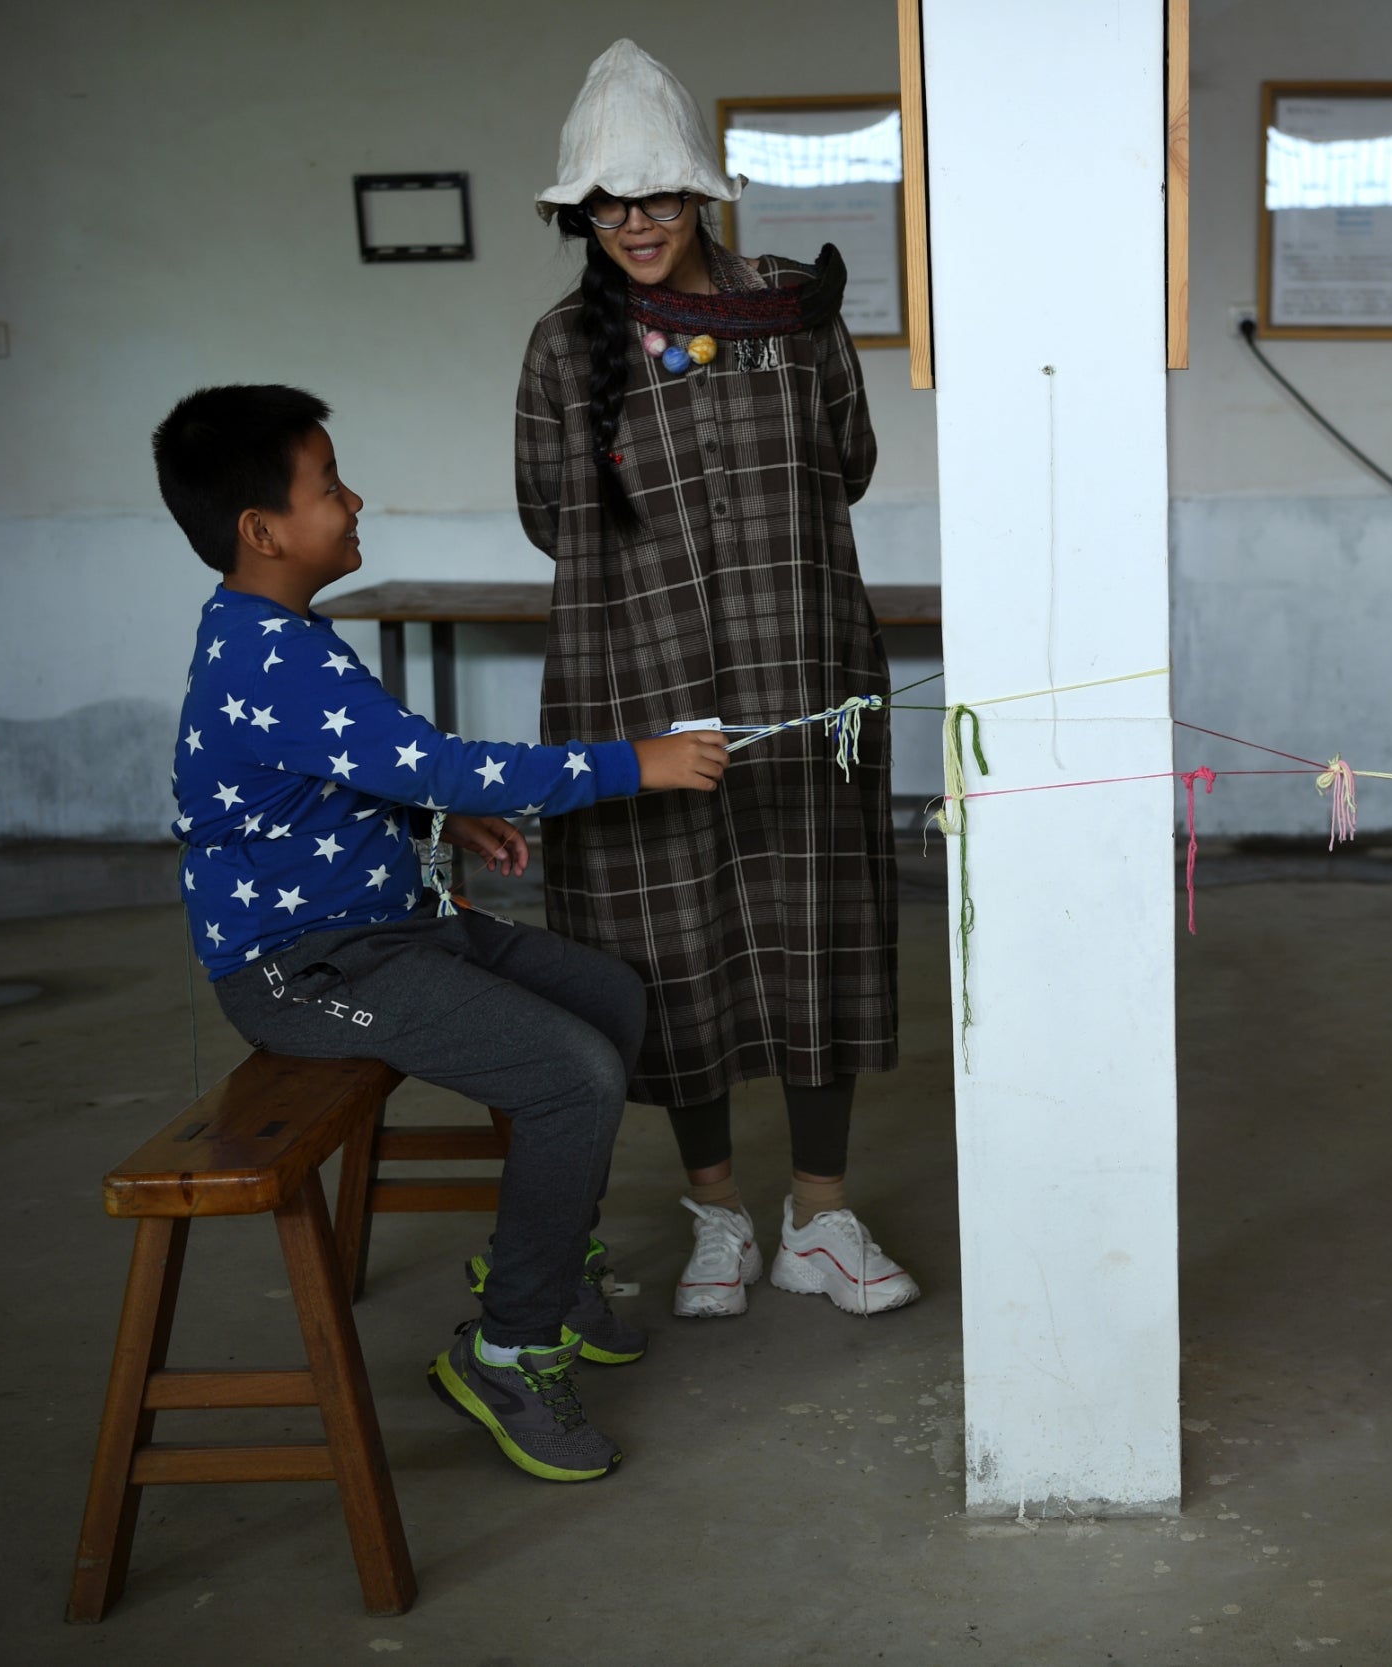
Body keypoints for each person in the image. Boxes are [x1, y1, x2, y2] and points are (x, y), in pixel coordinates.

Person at [155, 384, 730, 1482]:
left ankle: (546, 1276)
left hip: (388, 927)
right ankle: (508, 1351)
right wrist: (632, 761)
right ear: (262, 530)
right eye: (330, 485)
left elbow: (363, 768)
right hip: (303, 967)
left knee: (609, 997)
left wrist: (432, 813)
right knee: (573, 1073)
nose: (354, 496)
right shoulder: (267, 656)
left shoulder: (278, 633)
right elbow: (438, 756)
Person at [516, 39, 916, 1320]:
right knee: (665, 944)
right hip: (635, 679)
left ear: (703, 194)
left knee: (816, 933)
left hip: (796, 660)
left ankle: (821, 1213)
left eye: (660, 196)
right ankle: (718, 1218)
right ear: (583, 212)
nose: (635, 224)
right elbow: (546, 514)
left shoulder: (795, 309)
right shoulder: (562, 344)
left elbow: (846, 460)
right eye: (608, 203)